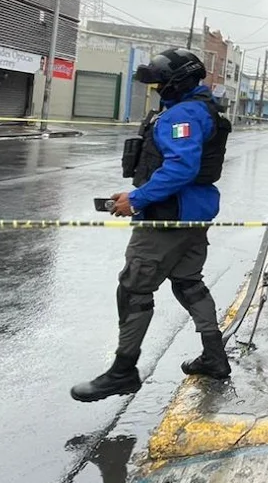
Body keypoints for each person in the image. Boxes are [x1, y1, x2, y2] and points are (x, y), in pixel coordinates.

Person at [70, 48, 233, 402]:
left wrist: (138, 199)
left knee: (134, 288)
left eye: (161, 82)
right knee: (188, 283)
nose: (157, 88)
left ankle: (122, 372)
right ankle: (215, 357)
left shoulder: (183, 114)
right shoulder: (200, 109)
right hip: (193, 214)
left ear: (178, 82)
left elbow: (180, 168)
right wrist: (134, 194)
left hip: (167, 218)